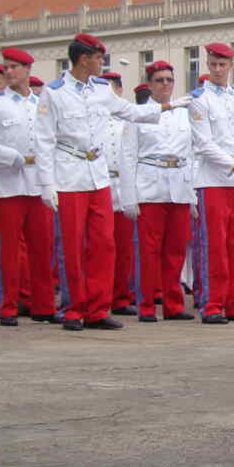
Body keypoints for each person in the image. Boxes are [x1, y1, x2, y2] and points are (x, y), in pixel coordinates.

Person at [34, 33, 177, 331]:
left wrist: (167, 107)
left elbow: (131, 112)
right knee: (73, 247)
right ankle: (74, 309)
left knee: (104, 244)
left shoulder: (101, 89)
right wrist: (46, 185)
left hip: (96, 173)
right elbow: (44, 141)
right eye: (98, 58)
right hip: (69, 173)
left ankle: (98, 309)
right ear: (84, 59)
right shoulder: (54, 93)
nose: (102, 63)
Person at [0, 47, 57, 326]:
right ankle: (7, 306)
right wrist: (10, 156)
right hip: (9, 181)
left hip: (39, 181)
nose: (8, 72)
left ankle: (42, 305)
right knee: (8, 250)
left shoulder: (41, 102)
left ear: (27, 70)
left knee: (42, 248)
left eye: (13, 67)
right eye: (5, 67)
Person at [118, 60, 197, 322]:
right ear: (150, 84)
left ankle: (174, 305)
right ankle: (147, 305)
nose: (165, 84)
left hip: (179, 186)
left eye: (169, 80)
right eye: (160, 80)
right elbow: (127, 157)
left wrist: (193, 192)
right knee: (149, 251)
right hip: (149, 187)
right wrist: (128, 197)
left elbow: (193, 153)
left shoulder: (185, 114)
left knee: (175, 251)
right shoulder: (138, 114)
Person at [189, 42, 234, 325]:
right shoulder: (199, 99)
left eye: (223, 64)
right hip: (213, 180)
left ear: (231, 66)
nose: (218, 70)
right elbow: (203, 144)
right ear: (207, 65)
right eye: (213, 64)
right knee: (214, 246)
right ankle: (212, 304)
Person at [101, 72, 138, 316]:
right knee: (101, 245)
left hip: (123, 183)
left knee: (125, 247)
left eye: (112, 90)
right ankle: (102, 296)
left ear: (120, 91)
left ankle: (122, 297)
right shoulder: (95, 119)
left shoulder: (129, 119)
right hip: (101, 181)